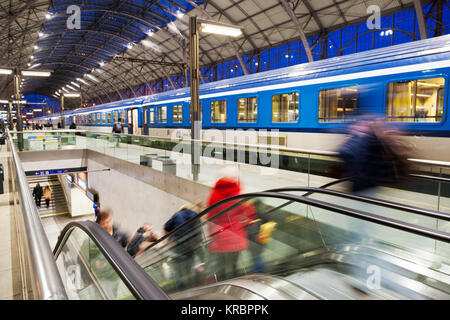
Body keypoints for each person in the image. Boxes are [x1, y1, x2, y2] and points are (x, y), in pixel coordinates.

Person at [206, 167, 257, 281]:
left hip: (220, 238)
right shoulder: (239, 194)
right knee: (234, 265)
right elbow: (250, 214)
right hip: (236, 237)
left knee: (222, 267)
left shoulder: (214, 195)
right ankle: (234, 285)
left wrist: (211, 235)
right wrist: (241, 223)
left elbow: (210, 218)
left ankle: (223, 286)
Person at [163, 204, 204, 290]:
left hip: (178, 248)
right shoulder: (196, 216)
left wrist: (172, 235)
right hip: (191, 249)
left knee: (179, 273)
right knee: (189, 271)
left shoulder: (177, 214)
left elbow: (166, 227)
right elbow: (199, 235)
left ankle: (180, 289)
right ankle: (191, 288)